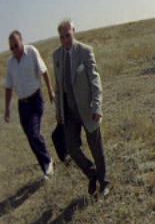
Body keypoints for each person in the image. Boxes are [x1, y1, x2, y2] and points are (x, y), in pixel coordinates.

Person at [53, 19, 109, 198]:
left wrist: (96, 106)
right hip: (69, 112)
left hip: (88, 110)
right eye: (62, 37)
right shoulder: (57, 56)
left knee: (96, 148)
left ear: (73, 32)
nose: (65, 40)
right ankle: (91, 173)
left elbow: (95, 81)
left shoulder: (85, 51)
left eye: (68, 36)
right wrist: (59, 112)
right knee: (71, 148)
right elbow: (58, 86)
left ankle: (104, 182)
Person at [4, 30, 55, 181]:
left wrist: (50, 90)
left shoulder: (31, 52)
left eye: (16, 45)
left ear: (22, 42)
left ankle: (48, 162)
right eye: (11, 47)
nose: (14, 50)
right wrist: (7, 109)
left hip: (35, 100)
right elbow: (8, 87)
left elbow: (44, 71)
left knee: (34, 133)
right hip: (22, 104)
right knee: (30, 137)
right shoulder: (10, 63)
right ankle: (45, 167)